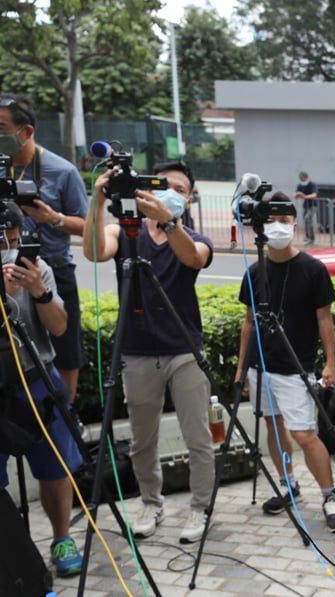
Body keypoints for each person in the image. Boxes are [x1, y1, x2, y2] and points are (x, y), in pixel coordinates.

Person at [83, 159, 216, 544]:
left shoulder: (193, 237)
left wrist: (169, 223)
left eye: (181, 190)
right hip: (138, 352)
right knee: (143, 438)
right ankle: (150, 502)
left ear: (189, 200)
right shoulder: (125, 231)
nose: (171, 194)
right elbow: (93, 251)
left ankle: (200, 507)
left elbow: (192, 257)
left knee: (198, 436)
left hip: (184, 349)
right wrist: (97, 200)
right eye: (164, 186)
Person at [234, 196, 335, 531]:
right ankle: (287, 483)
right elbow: (249, 322)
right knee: (272, 425)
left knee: (304, 433)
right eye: (271, 219)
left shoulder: (313, 269)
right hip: (261, 365)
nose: (278, 225)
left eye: (284, 218)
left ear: (294, 225)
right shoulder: (254, 271)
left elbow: (325, 319)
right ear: (261, 226)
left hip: (297, 367)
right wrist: (241, 370)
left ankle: (329, 494)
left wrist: (330, 363)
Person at [0, 202, 83, 577]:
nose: (8, 249)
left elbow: (61, 327)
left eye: (14, 241)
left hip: (36, 380)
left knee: (54, 467)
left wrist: (38, 292)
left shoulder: (38, 268)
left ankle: (62, 536)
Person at [0, 94, 88, 409]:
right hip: (6, 271)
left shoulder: (61, 171)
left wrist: (53, 218)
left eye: (2, 128)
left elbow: (89, 227)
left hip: (52, 272)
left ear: (26, 131)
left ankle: (63, 416)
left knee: (65, 351)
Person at [294, 171, 319, 246]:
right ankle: (308, 237)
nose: (302, 181)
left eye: (303, 179)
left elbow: (314, 195)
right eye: (300, 179)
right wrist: (298, 194)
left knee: (308, 218)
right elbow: (295, 194)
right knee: (306, 220)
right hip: (306, 205)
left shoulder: (312, 184)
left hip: (313, 205)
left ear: (306, 178)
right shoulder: (300, 185)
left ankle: (312, 238)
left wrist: (304, 196)